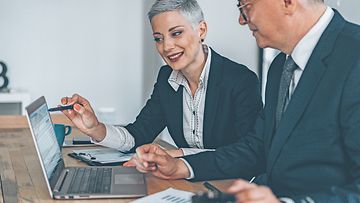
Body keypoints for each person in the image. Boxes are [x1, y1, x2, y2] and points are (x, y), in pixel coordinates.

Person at [128, 0, 360, 202]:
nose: (241, 19)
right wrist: (181, 166)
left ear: (287, 1)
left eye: (246, 6)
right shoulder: (281, 67)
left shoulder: (354, 55)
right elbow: (256, 147)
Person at [60, 0, 262, 157]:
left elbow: (247, 155)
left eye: (176, 33)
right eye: (159, 38)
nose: (166, 47)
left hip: (230, 187)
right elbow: (138, 135)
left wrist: (179, 156)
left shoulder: (240, 80)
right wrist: (95, 128)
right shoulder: (167, 78)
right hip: (188, 184)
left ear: (201, 30)